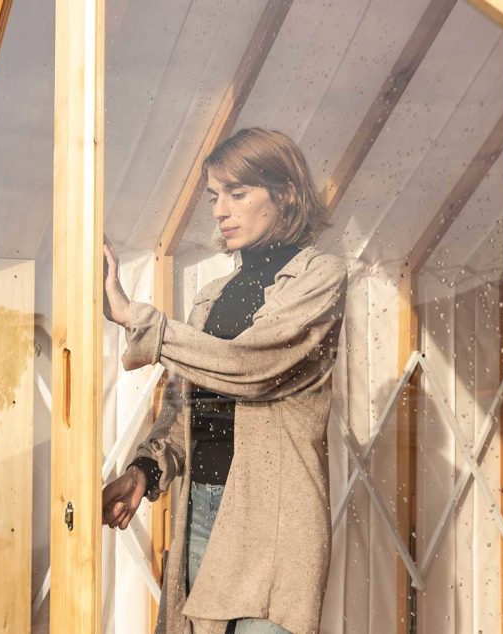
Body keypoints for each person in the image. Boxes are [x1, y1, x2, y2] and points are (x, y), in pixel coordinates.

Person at [102, 127, 347, 634]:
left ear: (284, 194)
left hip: (276, 520)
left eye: (238, 193)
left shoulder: (320, 279)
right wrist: (144, 471)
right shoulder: (211, 295)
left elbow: (250, 367)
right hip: (201, 509)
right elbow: (182, 411)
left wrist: (136, 319)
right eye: (215, 196)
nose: (219, 210)